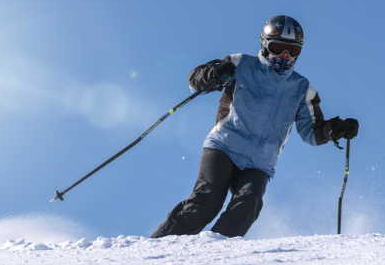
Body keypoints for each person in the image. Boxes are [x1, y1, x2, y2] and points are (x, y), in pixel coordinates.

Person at [151, 15, 359, 238]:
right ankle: (159, 246)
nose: (284, 56)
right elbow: (195, 81)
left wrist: (335, 129)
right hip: (224, 146)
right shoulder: (241, 64)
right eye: (277, 47)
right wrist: (215, 74)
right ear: (264, 44)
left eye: (292, 51)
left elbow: (312, 133)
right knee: (206, 201)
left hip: (260, 161)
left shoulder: (301, 88)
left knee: (248, 205)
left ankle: (214, 251)